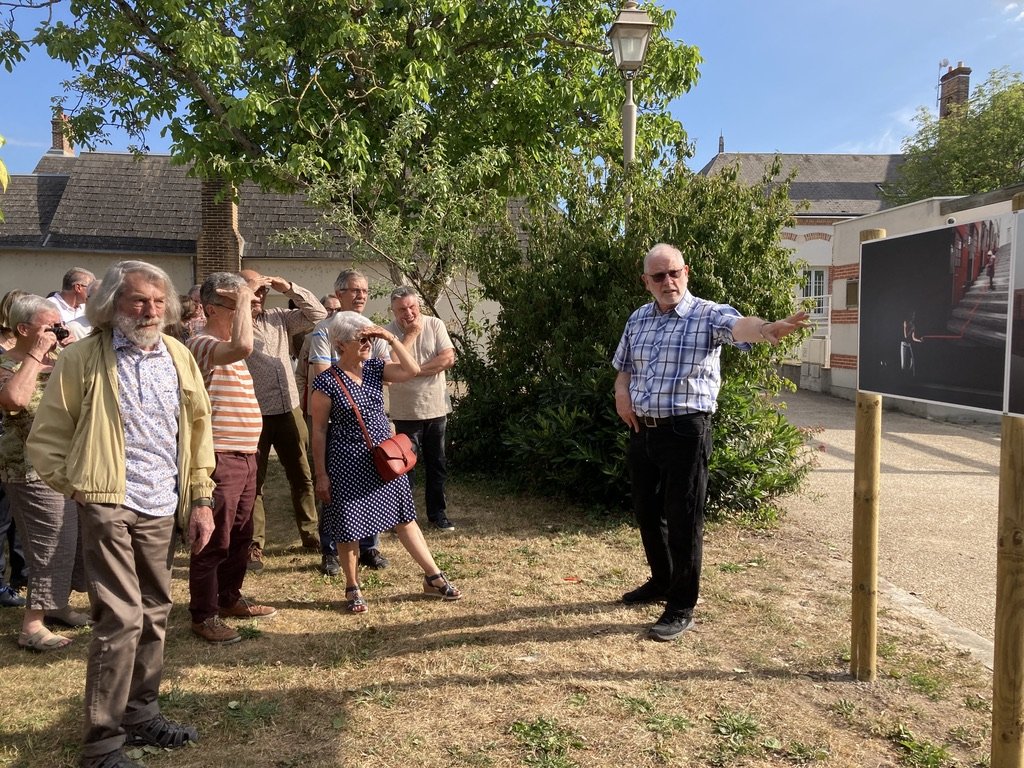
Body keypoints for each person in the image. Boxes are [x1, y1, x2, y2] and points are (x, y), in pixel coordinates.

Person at [27, 260, 216, 768]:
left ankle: (141, 712)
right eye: (137, 300)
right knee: (121, 618)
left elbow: (198, 432)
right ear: (111, 305)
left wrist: (200, 498)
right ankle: (103, 744)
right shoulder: (85, 357)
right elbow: (46, 439)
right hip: (109, 503)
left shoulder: (177, 354)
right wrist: (83, 489)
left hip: (161, 503)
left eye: (158, 301)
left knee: (155, 610)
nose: (150, 310)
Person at [613, 243, 809, 642]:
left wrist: (766, 328)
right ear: (645, 282)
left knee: (684, 517)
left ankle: (682, 605)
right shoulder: (638, 320)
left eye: (674, 273)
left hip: (686, 431)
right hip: (643, 430)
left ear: (686, 273)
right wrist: (621, 394)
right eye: (658, 276)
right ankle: (661, 581)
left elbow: (740, 326)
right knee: (649, 513)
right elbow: (625, 369)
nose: (667, 282)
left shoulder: (706, 314)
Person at [310, 311, 461, 612]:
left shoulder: (376, 369)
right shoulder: (326, 382)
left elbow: (412, 368)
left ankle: (433, 577)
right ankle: (352, 587)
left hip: (384, 459)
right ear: (339, 344)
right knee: (348, 525)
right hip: (345, 461)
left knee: (405, 519)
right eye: (361, 339)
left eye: (369, 337)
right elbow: (318, 430)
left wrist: (389, 337)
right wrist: (321, 474)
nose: (367, 343)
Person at [187, 274, 277, 644]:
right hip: (221, 456)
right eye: (237, 306)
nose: (250, 309)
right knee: (213, 539)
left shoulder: (222, 344)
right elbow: (244, 346)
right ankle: (203, 615)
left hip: (245, 455)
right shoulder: (202, 342)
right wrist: (243, 296)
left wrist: (242, 298)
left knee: (241, 535)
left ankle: (228, 598)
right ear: (211, 308)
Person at [0, 294, 85, 649]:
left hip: (67, 465)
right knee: (48, 545)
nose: (57, 331)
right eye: (49, 326)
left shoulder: (59, 359)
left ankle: (57, 606)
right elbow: (15, 401)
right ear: (23, 330)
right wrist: (37, 354)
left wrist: (72, 347)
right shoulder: (6, 363)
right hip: (28, 469)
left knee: (71, 540)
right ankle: (31, 626)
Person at [238, 269, 327, 572]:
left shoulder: (278, 317)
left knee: (302, 474)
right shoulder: (233, 325)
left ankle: (310, 533)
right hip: (254, 412)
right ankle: (254, 544)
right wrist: (244, 293)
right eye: (253, 292)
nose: (259, 297)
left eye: (262, 292)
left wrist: (288, 287)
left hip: (289, 409)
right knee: (254, 482)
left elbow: (318, 314)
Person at [308, 269, 390, 575]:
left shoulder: (373, 329)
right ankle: (330, 549)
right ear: (339, 293)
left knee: (370, 482)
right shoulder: (324, 330)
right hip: (334, 415)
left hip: (367, 417)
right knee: (334, 488)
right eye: (355, 290)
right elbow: (321, 373)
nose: (361, 296)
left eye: (365, 291)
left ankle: (369, 547)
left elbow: (382, 368)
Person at [385, 286, 457, 531]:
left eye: (412, 307)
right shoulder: (387, 333)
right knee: (405, 469)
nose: (409, 313)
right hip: (405, 412)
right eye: (402, 309)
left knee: (437, 465)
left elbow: (447, 358)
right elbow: (390, 368)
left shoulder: (435, 324)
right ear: (393, 311)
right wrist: (411, 335)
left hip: (436, 409)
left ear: (419, 306)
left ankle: (438, 515)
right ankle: (405, 519)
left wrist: (412, 370)